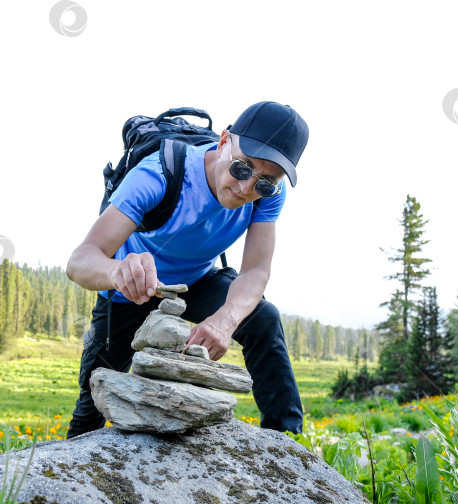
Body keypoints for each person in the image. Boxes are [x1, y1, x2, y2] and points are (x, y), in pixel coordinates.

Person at [65, 101, 309, 439]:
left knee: (263, 318)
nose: (245, 188)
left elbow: (255, 271)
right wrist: (118, 271)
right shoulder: (159, 174)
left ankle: (288, 445)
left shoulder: (269, 195)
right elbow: (80, 261)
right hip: (128, 287)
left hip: (195, 280)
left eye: (265, 182)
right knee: (92, 400)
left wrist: (225, 321)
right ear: (224, 141)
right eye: (242, 168)